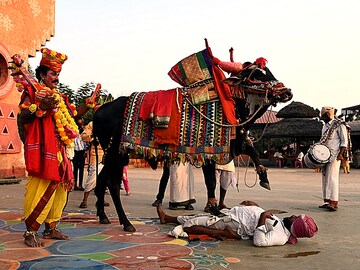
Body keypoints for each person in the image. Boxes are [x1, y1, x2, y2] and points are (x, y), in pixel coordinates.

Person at [16, 48, 97, 247]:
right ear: (42, 74)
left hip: (62, 149)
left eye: (58, 74)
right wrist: (40, 108)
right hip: (44, 149)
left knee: (61, 189)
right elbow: (22, 116)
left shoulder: (59, 97)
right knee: (40, 188)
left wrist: (87, 106)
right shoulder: (32, 93)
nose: (56, 78)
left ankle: (51, 228)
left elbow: (73, 115)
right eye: (53, 74)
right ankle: (30, 231)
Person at [156, 201, 318, 247]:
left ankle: (182, 227)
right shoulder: (282, 223)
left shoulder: (281, 237)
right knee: (200, 215)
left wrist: (262, 215)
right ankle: (167, 218)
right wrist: (254, 206)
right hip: (234, 214)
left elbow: (259, 241)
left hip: (234, 224)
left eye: (296, 218)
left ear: (295, 226)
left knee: (195, 223)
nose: (294, 215)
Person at [319, 106, 351, 211]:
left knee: (332, 178)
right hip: (324, 156)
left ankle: (334, 202)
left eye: (323, 116)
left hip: (335, 155)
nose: (322, 118)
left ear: (328, 115)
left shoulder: (339, 125)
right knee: (325, 178)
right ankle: (328, 200)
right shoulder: (324, 126)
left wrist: (341, 154)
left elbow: (344, 141)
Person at [79, 121, 109, 208]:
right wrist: (94, 136)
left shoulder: (111, 121)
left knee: (104, 180)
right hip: (96, 154)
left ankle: (101, 199)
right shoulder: (93, 124)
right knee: (92, 178)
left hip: (108, 155)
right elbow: (83, 137)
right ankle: (84, 200)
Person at [72, 123, 86, 191]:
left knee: (81, 169)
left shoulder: (83, 135)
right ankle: (75, 184)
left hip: (82, 152)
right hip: (75, 152)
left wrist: (85, 151)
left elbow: (86, 143)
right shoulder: (74, 134)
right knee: (75, 169)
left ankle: (80, 185)